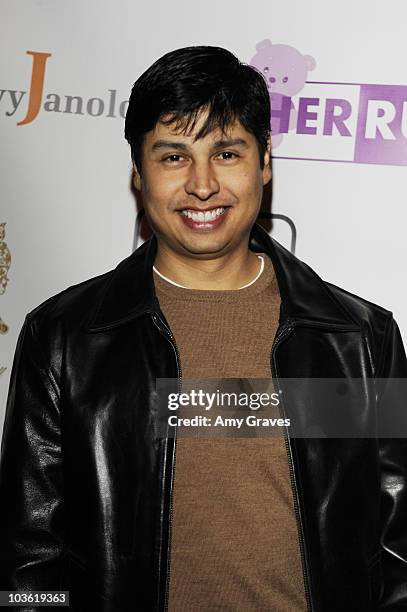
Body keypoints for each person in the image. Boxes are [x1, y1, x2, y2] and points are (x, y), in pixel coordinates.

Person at [0, 45, 406, 612]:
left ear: (264, 161)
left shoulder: (359, 339)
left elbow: (397, 551)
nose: (202, 184)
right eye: (173, 157)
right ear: (138, 174)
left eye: (227, 153)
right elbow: (28, 564)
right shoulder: (65, 339)